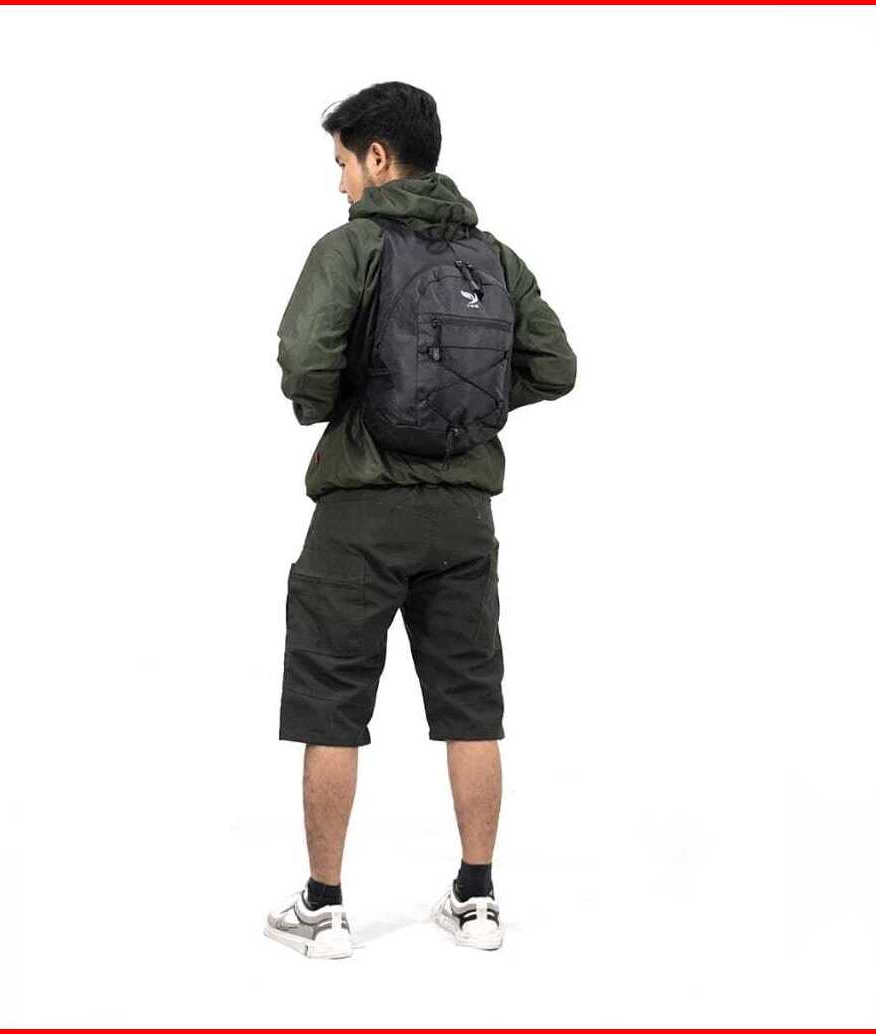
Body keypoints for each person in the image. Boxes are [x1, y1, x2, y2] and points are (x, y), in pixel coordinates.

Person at [264, 82, 577, 959]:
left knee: (331, 706)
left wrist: (349, 404)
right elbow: (555, 365)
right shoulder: (495, 257)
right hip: (463, 518)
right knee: (472, 707)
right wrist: (470, 408)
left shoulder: (352, 248)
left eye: (342, 163)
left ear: (378, 156)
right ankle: (477, 899)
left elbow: (304, 359)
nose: (339, 184)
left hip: (359, 513)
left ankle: (325, 909)